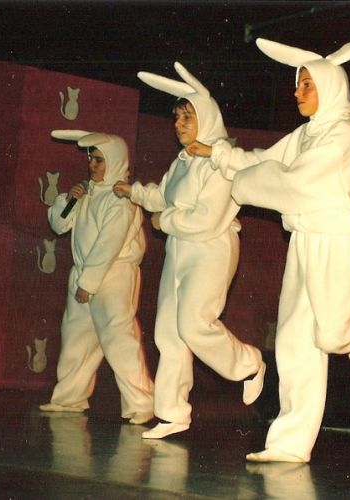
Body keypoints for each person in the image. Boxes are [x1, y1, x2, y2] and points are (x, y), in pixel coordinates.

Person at [187, 30, 350, 463]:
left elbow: (296, 184)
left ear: (330, 87)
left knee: (333, 334)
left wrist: (242, 184)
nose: (297, 93)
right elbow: (266, 160)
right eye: (297, 85)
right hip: (305, 238)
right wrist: (219, 154)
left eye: (306, 85)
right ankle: (289, 445)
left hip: (338, 240)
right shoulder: (307, 133)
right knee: (295, 340)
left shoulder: (343, 134)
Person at [113, 62, 266, 440]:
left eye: (187, 117)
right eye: (177, 118)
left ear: (207, 119)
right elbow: (164, 197)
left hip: (212, 247)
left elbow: (206, 218)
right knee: (168, 332)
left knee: (194, 324)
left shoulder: (221, 160)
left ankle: (249, 363)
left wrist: (164, 221)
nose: (179, 124)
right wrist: (134, 192)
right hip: (180, 249)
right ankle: (172, 413)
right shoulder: (182, 162)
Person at [39, 130, 154, 425]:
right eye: (91, 159)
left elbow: (109, 244)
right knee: (77, 339)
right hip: (84, 275)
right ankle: (69, 398)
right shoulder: (87, 192)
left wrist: (88, 284)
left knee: (118, 339)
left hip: (113, 276)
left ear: (115, 161)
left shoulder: (120, 198)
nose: (92, 165)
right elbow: (59, 225)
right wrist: (69, 200)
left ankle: (141, 402)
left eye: (99, 160)